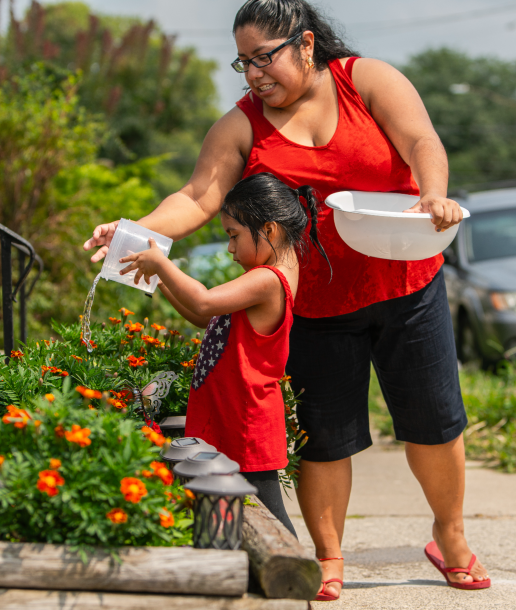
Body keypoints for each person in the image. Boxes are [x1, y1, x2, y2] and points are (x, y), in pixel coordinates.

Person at [84, 0, 490, 599]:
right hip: (315, 304)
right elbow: (198, 196)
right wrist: (133, 232)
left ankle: (450, 538)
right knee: (325, 435)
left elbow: (422, 141)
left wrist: (433, 194)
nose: (253, 74)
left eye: (263, 57)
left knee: (433, 423)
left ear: (304, 44)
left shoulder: (366, 79)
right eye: (243, 62)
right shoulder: (243, 123)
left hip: (407, 282)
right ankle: (328, 557)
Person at [117, 173, 330, 537]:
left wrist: (162, 263)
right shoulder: (261, 277)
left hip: (248, 421)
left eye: (234, 235)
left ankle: (296, 582)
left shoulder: (268, 279)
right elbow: (203, 315)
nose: (230, 249)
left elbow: (203, 299)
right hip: (231, 413)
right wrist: (159, 279)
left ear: (270, 230)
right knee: (237, 511)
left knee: (268, 517)